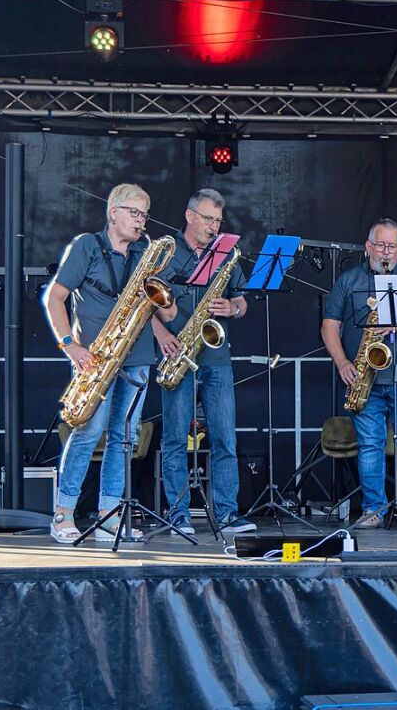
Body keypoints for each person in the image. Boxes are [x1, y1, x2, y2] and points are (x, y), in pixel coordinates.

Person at [43, 183, 177, 544]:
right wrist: (70, 345)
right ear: (113, 211)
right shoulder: (86, 246)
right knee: (88, 433)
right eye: (134, 213)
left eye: (144, 215)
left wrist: (163, 299)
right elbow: (55, 298)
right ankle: (63, 513)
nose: (140, 220)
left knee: (124, 439)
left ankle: (108, 516)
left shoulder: (143, 254)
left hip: (137, 359)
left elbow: (170, 311)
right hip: (95, 358)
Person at [321, 218, 397, 529]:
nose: (386, 252)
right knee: (370, 444)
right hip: (365, 377)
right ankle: (373, 508)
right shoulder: (349, 280)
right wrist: (343, 363)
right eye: (381, 245)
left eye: (392, 246)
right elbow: (330, 326)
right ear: (368, 246)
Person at [152, 188, 256, 536]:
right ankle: (178, 514)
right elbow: (143, 302)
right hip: (177, 352)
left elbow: (242, 304)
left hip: (216, 356)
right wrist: (162, 335)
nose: (214, 226)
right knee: (175, 438)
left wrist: (234, 308)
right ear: (190, 215)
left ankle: (227, 513)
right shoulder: (166, 253)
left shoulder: (226, 254)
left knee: (225, 437)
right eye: (209, 219)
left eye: (218, 220)